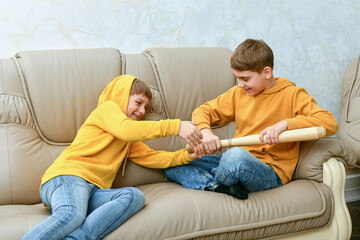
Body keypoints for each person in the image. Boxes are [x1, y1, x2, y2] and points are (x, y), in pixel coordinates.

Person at [22, 75, 206, 240]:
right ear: (122, 95)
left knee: (133, 196)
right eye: (138, 103)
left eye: (146, 107)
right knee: (72, 214)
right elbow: (126, 129)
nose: (142, 111)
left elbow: (151, 157)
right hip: (67, 178)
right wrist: (175, 127)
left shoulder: (127, 141)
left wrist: (186, 155)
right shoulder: (107, 109)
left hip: (91, 190)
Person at [164, 39, 338, 200]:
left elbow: (329, 122)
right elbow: (203, 110)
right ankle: (217, 186)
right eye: (237, 78)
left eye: (245, 79)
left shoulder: (292, 94)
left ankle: (220, 176)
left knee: (234, 157)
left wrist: (285, 124)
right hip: (234, 161)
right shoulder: (238, 93)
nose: (240, 84)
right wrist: (206, 132)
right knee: (172, 160)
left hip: (269, 171)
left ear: (267, 72)